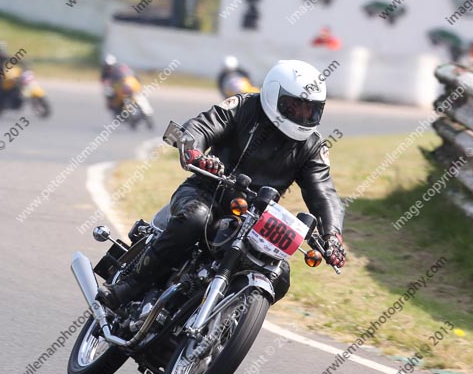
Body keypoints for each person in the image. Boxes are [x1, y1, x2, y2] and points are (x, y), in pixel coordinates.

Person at [98, 59, 346, 312]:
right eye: (295, 104)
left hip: (256, 218)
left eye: (310, 109)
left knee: (279, 276)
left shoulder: (313, 146)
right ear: (275, 94)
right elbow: (202, 126)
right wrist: (195, 153)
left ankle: (223, 323)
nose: (303, 114)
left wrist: (332, 235)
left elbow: (324, 192)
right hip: (207, 191)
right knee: (195, 219)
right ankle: (128, 287)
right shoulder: (244, 107)